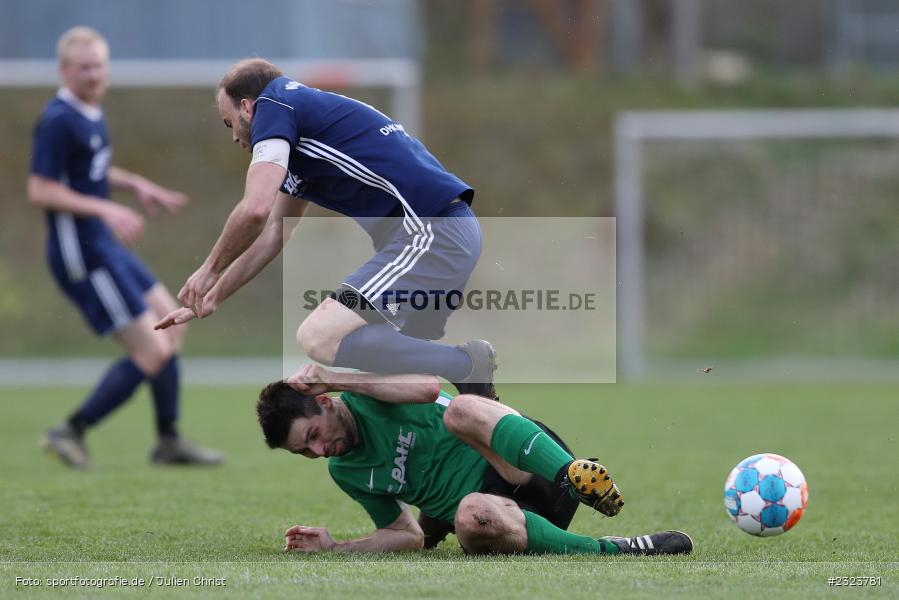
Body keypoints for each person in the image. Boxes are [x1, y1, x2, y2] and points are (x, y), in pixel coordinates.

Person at [154, 58, 496, 398]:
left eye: (228, 123)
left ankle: (465, 364)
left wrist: (207, 270)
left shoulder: (274, 105)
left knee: (318, 336)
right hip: (445, 231)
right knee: (399, 384)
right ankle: (480, 419)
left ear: (247, 107)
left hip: (431, 232)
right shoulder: (300, 123)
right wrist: (214, 295)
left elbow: (255, 209)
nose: (233, 137)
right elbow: (276, 231)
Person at [29, 26, 222, 468]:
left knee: (172, 324)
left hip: (104, 245)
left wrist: (133, 184)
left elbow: (88, 171)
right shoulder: (58, 119)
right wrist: (105, 209)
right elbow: (41, 189)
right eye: (84, 67)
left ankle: (169, 440)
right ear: (64, 70)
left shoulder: (89, 112)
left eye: (99, 65)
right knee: (151, 350)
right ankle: (70, 430)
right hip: (83, 254)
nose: (94, 74)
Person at [256, 365, 693, 555]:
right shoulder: (344, 470)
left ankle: (571, 473)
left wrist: (336, 376)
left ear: (325, 401)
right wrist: (338, 548)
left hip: (525, 468)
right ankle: (613, 550)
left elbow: (427, 388)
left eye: (313, 436)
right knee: (468, 513)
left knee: (459, 409)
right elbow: (402, 535)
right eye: (303, 452)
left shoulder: (367, 391)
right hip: (503, 520)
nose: (318, 451)